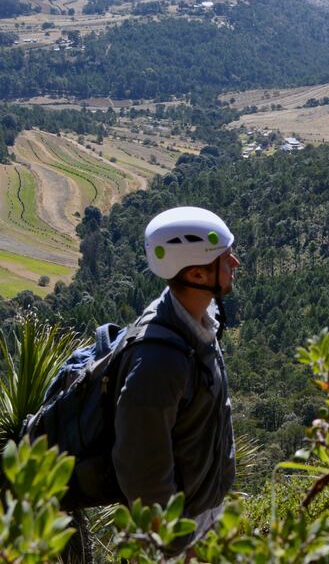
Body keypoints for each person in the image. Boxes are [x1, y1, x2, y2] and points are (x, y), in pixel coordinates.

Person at [113, 206, 240, 555]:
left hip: (204, 513)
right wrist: (176, 540)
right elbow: (142, 471)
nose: (235, 264)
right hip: (179, 532)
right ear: (198, 275)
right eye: (226, 257)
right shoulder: (158, 362)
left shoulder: (198, 321)